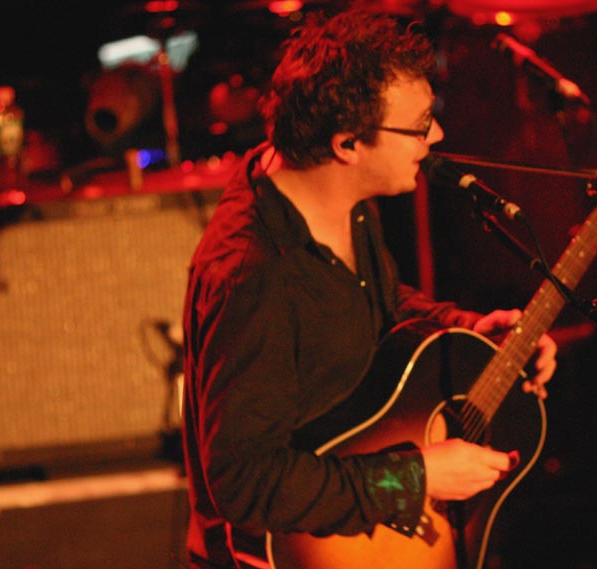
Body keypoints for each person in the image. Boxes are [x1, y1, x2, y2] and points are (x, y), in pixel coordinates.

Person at [181, 7, 558, 569]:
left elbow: (366, 301)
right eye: (420, 125)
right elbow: (245, 481)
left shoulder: (340, 199)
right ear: (348, 144)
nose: (437, 136)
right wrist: (416, 477)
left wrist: (467, 329)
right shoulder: (253, 276)